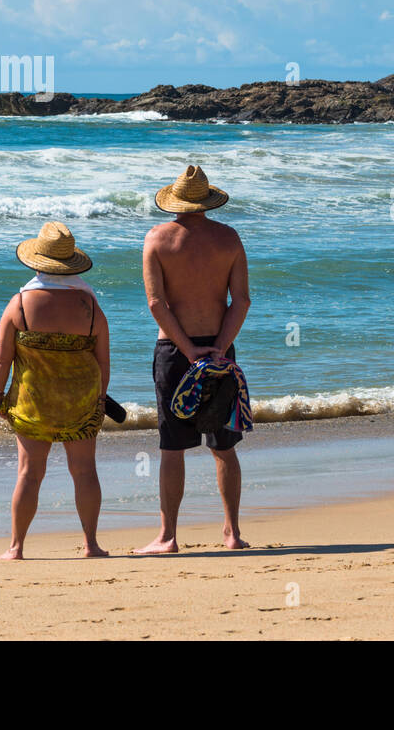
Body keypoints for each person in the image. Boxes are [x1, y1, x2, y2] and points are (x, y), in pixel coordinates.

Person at [136, 165, 251, 554]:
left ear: (175, 202)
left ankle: (168, 537)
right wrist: (219, 348)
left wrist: (187, 350)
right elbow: (242, 301)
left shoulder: (157, 238)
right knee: (223, 445)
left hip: (174, 350)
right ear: (206, 202)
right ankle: (232, 533)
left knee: (173, 446)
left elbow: (157, 303)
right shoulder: (228, 238)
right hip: (220, 347)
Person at [0, 222, 110, 560]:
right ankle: (91, 545)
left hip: (34, 403)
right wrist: (99, 401)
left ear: (36, 261)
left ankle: (16, 548)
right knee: (85, 471)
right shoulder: (90, 306)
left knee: (29, 473)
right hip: (81, 401)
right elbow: (103, 361)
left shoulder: (20, 304)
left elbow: (2, 358)